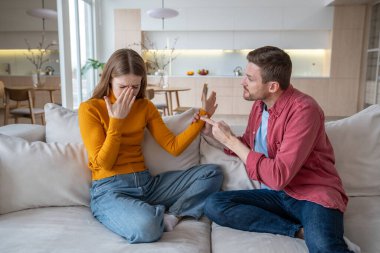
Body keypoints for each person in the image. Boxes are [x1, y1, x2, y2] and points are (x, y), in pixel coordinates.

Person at [200, 46, 353, 253]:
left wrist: (230, 140)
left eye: (250, 78)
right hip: (278, 196)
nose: (243, 82)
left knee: (324, 246)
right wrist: (213, 135)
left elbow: (278, 176)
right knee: (214, 204)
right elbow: (246, 144)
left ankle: (311, 227)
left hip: (312, 194)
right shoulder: (260, 105)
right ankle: (296, 230)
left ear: (272, 86)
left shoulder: (304, 110)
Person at [78, 48, 223, 244]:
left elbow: (173, 146)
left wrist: (201, 118)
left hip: (147, 185)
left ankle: (174, 216)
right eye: (122, 86)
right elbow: (104, 163)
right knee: (147, 229)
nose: (129, 93)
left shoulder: (145, 107)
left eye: (135, 87)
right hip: (110, 189)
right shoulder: (90, 109)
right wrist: (116, 122)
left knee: (212, 173)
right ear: (109, 80)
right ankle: (148, 215)